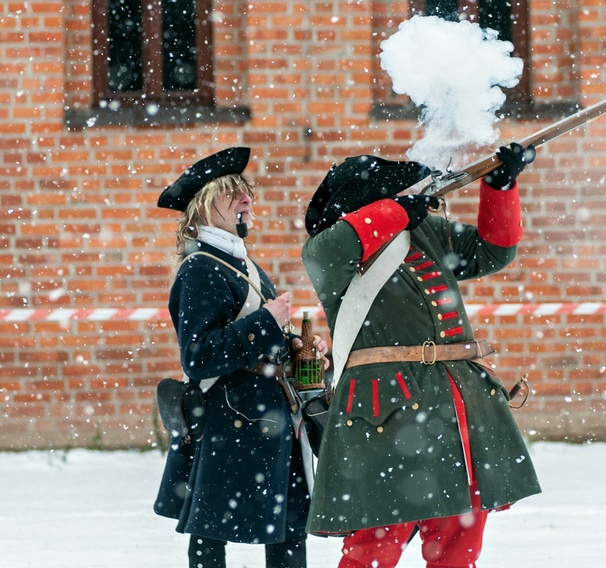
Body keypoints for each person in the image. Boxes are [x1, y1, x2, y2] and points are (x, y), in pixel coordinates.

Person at [301, 143, 542, 568]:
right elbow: (325, 251)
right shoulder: (333, 248)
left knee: (458, 541)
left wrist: (499, 186)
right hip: (384, 408)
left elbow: (493, 251)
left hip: (454, 403)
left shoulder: (423, 232)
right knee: (373, 548)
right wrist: (398, 210)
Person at [153, 147, 328, 568]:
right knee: (210, 535)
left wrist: (299, 349)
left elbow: (253, 340)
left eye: (246, 193)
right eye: (232, 194)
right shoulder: (200, 269)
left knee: (287, 529)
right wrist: (266, 322)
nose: (247, 200)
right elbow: (199, 356)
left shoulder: (238, 263)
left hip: (267, 416)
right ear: (203, 208)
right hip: (231, 419)